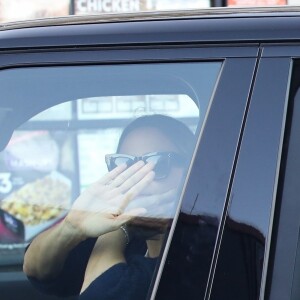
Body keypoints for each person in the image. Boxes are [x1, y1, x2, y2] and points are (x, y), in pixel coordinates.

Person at [23, 114, 196, 299]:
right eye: (125, 164)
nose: (137, 178)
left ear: (191, 168)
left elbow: (102, 292)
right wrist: (71, 228)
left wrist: (119, 220)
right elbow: (35, 269)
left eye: (158, 163)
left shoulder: (202, 252)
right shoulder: (129, 235)